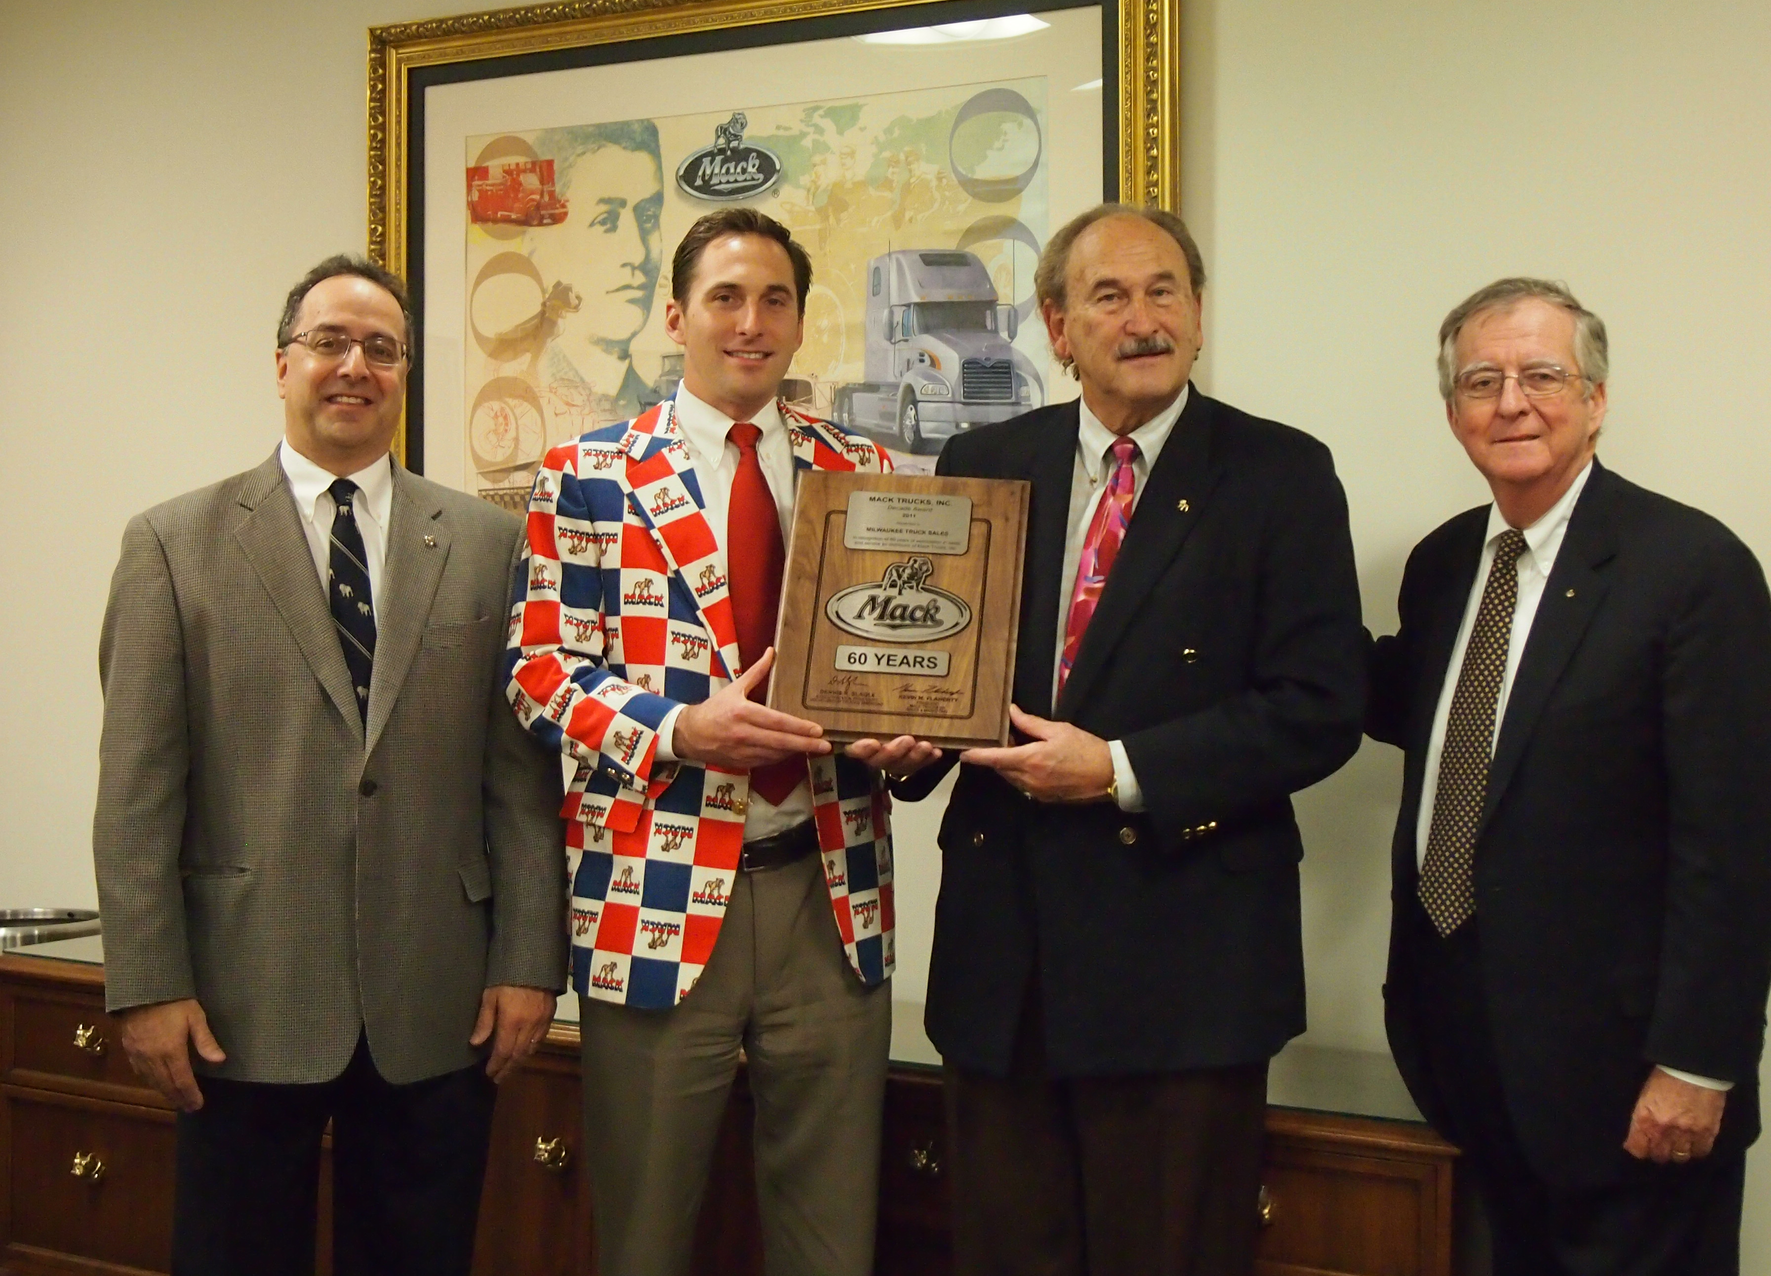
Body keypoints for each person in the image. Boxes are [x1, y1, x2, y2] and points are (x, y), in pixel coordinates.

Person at [890, 203, 1369, 1275]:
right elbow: (941, 666)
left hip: (1184, 966)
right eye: (1109, 295)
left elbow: (1319, 702)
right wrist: (905, 739)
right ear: (1058, 327)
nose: (1141, 318)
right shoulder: (985, 456)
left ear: (1199, 316)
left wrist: (1115, 771)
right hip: (1002, 967)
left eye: (1165, 291)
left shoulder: (1280, 473)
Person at [93, 255, 568, 1276]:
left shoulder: (489, 543)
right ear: (282, 364)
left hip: (440, 1001)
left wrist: (531, 957)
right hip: (236, 1000)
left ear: (404, 375)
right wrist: (145, 983)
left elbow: (521, 780)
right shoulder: (173, 544)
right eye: (329, 342)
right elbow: (136, 795)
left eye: (382, 349)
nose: (356, 365)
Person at [504, 207, 918, 1276]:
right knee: (642, 1234)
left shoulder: (864, 467)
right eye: (726, 298)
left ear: (797, 320)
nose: (751, 322)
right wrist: (681, 727)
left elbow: (904, 664)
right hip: (652, 893)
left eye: (774, 299)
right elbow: (540, 671)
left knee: (833, 1237)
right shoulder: (589, 473)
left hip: (830, 892)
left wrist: (914, 737)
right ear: (677, 315)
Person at [1367, 278, 1771, 1274]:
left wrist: (1697, 1063)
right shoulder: (1438, 568)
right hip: (1462, 1051)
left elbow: (1732, 845)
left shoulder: (1691, 568)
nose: (1511, 401)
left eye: (1542, 375)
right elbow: (1407, 715)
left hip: (1628, 1081)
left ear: (1596, 398)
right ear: (1452, 412)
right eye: (1482, 380)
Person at [526, 117, 668, 420]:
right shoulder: (521, 405)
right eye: (606, 221)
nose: (639, 251)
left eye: (647, 217)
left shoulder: (666, 416)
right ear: (541, 244)